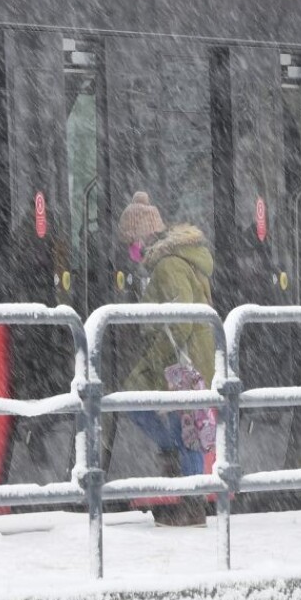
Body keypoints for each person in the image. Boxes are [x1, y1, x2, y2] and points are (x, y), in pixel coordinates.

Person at [117, 192, 216, 526]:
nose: (130, 249)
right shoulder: (171, 261)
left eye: (131, 242)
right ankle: (189, 496)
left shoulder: (167, 266)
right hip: (189, 354)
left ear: (142, 237)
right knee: (181, 427)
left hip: (184, 359)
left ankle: (193, 504)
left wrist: (154, 360)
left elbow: (180, 320)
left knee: (180, 429)